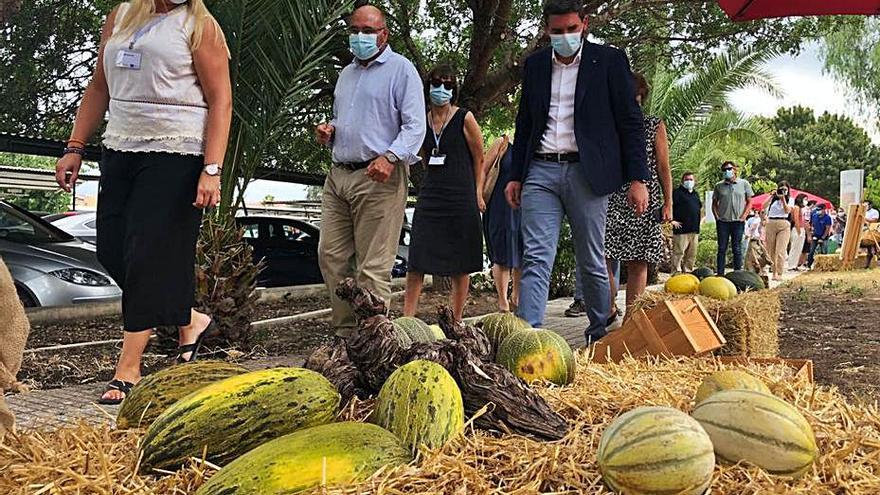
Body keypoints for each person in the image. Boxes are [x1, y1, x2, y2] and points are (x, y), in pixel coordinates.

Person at [54, 0, 232, 404]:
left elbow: (221, 101)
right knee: (111, 250)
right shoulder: (121, 15)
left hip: (177, 153)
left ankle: (128, 369)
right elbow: (99, 86)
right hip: (120, 148)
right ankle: (189, 320)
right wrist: (75, 146)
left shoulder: (200, 25)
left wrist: (212, 168)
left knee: (146, 256)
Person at [506, 0, 649, 343]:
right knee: (537, 255)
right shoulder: (536, 66)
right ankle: (528, 338)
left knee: (591, 257)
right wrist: (515, 175)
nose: (565, 36)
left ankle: (601, 330)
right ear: (546, 30)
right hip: (541, 169)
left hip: (588, 172)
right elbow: (525, 123)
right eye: (557, 31)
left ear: (584, 24)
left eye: (571, 29)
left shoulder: (609, 62)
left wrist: (638, 179)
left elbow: (631, 123)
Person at [315, 3, 426, 338]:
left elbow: (415, 126)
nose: (360, 36)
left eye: (368, 31)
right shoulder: (347, 74)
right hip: (339, 174)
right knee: (331, 255)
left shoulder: (401, 70)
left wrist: (390, 157)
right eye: (355, 30)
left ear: (383, 34)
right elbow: (348, 119)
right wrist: (329, 130)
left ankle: (373, 340)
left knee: (373, 267)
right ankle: (346, 334)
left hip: (379, 175)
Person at [404, 64, 485, 322]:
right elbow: (425, 158)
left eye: (448, 85)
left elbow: (479, 159)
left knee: (461, 262)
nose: (441, 89)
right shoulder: (421, 119)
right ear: (428, 86)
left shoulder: (465, 117)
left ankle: (457, 319)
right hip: (432, 194)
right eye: (437, 83)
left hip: (461, 194)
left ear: (454, 89)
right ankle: (408, 318)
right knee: (417, 258)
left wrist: (478, 193)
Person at [605, 72, 673, 314]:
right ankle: (609, 304)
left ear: (640, 97)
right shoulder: (608, 126)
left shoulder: (654, 125)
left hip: (646, 197)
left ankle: (632, 318)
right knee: (602, 254)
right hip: (611, 196)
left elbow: (664, 167)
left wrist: (668, 203)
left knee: (638, 259)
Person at [483, 137, 522, 312]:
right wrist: (478, 195)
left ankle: (517, 298)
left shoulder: (532, 146)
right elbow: (483, 170)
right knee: (502, 255)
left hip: (523, 208)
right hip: (499, 207)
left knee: (522, 255)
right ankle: (503, 302)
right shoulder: (502, 143)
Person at [712, 161, 753, 275]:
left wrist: (744, 216)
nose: (727, 171)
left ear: (735, 169)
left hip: (738, 221)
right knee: (721, 249)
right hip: (723, 222)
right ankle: (720, 274)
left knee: (737, 248)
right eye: (724, 170)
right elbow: (714, 203)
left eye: (729, 168)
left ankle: (737, 274)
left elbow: (750, 201)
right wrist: (717, 217)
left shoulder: (744, 184)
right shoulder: (719, 186)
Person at [672, 171, 701, 273]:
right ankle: (676, 273)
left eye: (691, 179)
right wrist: (672, 221)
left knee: (691, 254)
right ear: (682, 181)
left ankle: (688, 272)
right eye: (687, 179)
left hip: (694, 230)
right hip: (681, 230)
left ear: (694, 181)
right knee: (678, 253)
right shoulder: (676, 193)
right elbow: (669, 207)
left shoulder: (695, 194)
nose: (689, 181)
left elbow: (698, 208)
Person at [763, 181, 792, 281]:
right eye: (781, 189)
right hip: (771, 222)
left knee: (780, 250)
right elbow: (763, 206)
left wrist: (783, 199)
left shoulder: (790, 200)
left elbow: (787, 211)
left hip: (783, 223)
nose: (782, 191)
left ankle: (779, 273)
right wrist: (771, 195)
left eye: (785, 189)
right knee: (771, 250)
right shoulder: (773, 200)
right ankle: (773, 272)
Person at [807, 203, 833, 269]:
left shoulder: (827, 218)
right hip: (815, 235)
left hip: (824, 236)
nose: (818, 211)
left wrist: (822, 238)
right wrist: (812, 232)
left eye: (820, 210)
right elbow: (812, 225)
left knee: (824, 251)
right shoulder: (814, 216)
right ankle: (809, 265)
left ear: (824, 210)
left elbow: (827, 229)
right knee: (812, 251)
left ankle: (824, 266)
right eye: (817, 210)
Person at [745, 209, 771, 273]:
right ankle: (755, 267)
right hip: (754, 239)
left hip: (762, 239)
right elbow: (749, 229)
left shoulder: (764, 219)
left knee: (763, 254)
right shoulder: (751, 220)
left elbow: (765, 224)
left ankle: (762, 267)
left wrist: (762, 218)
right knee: (754, 254)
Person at [786, 193, 807, 270]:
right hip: (797, 229)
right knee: (795, 248)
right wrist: (799, 231)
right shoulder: (796, 207)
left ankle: (795, 264)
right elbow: (796, 220)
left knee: (799, 248)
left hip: (801, 228)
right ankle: (791, 265)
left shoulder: (800, 208)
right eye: (805, 199)